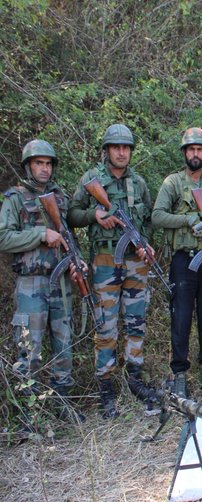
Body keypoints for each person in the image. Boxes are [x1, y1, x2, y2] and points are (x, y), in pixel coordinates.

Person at [68, 123, 156, 418]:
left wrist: (146, 244)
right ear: (106, 150)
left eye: (126, 148)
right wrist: (94, 215)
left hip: (136, 262)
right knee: (106, 325)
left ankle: (135, 380)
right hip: (105, 260)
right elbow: (71, 215)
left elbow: (147, 220)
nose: (121, 152)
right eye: (116, 147)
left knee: (136, 321)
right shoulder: (91, 179)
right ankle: (105, 388)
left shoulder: (139, 183)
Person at [0, 140, 84, 421]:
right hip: (31, 284)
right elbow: (3, 237)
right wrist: (40, 234)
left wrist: (77, 261)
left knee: (64, 347)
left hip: (61, 281)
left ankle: (63, 405)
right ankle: (30, 416)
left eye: (48, 164)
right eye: (39, 163)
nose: (44, 169)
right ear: (28, 166)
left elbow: (68, 236)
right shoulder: (15, 198)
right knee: (30, 350)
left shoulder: (60, 198)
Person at [152, 127, 202, 401]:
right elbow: (157, 216)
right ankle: (180, 374)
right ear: (185, 153)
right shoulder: (173, 183)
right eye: (191, 149)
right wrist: (187, 220)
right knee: (181, 318)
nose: (196, 154)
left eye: (200, 149)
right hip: (184, 260)